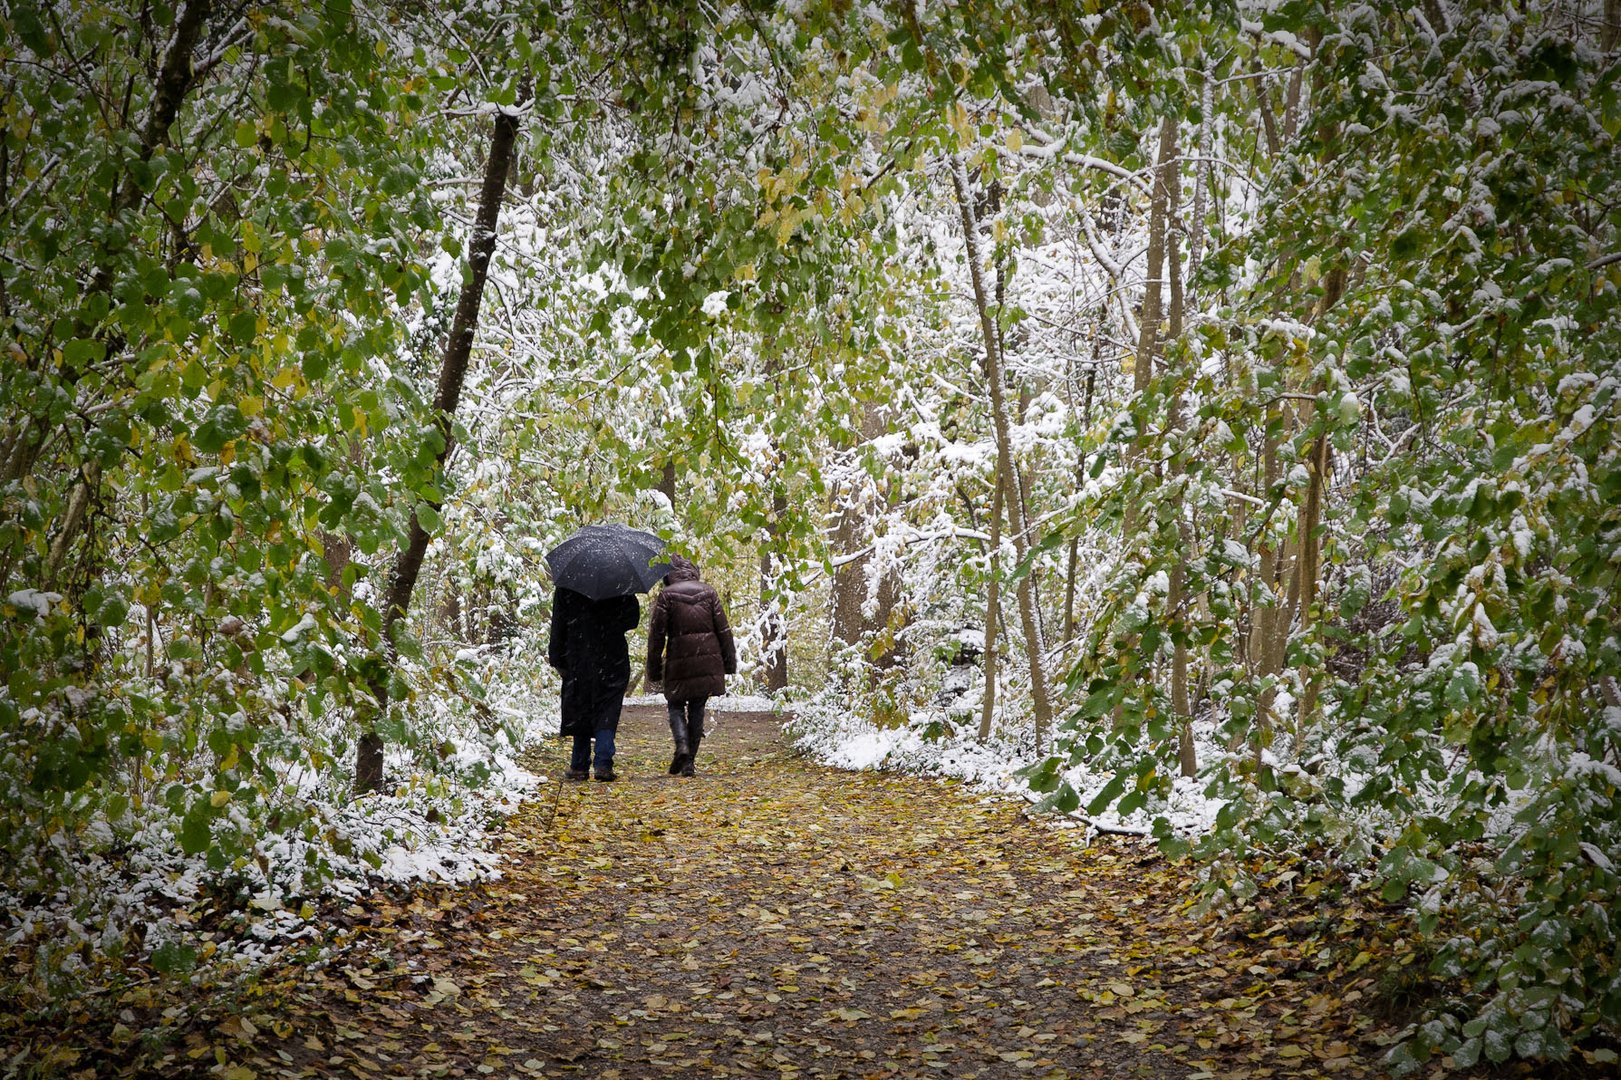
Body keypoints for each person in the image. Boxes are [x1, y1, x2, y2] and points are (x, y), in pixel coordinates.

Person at [646, 555, 736, 777]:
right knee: (697, 708)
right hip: (707, 660)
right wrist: (729, 664)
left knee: (675, 704)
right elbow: (724, 631)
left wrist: (654, 670)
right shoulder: (709, 592)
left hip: (679, 661)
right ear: (693, 571)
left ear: (669, 574)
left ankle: (682, 745)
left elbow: (657, 636)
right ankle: (689, 763)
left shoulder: (666, 596)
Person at [548, 586, 640, 781]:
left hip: (578, 654)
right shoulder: (619, 581)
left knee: (580, 707)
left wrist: (556, 657)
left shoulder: (568, 584)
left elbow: (558, 623)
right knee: (608, 706)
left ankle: (579, 764)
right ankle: (603, 762)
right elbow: (632, 619)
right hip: (612, 655)